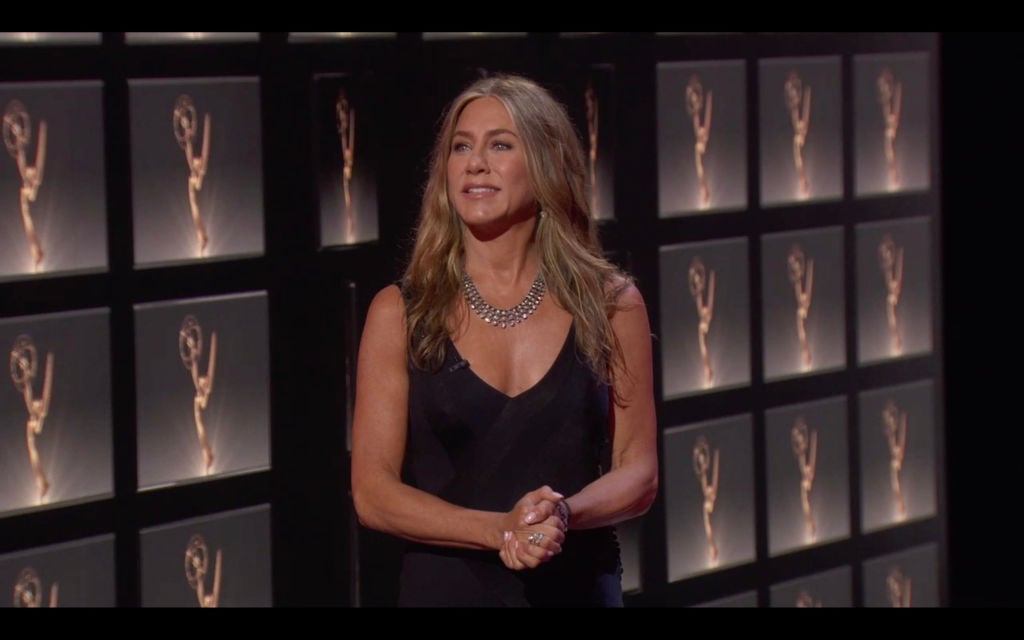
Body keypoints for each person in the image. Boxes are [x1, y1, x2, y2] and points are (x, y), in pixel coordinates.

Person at [350, 73, 659, 607]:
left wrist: (562, 515)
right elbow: (374, 495)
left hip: (576, 590)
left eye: (499, 145)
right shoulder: (400, 312)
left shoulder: (610, 305)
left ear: (545, 165)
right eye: (461, 147)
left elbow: (639, 473)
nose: (474, 163)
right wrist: (502, 531)